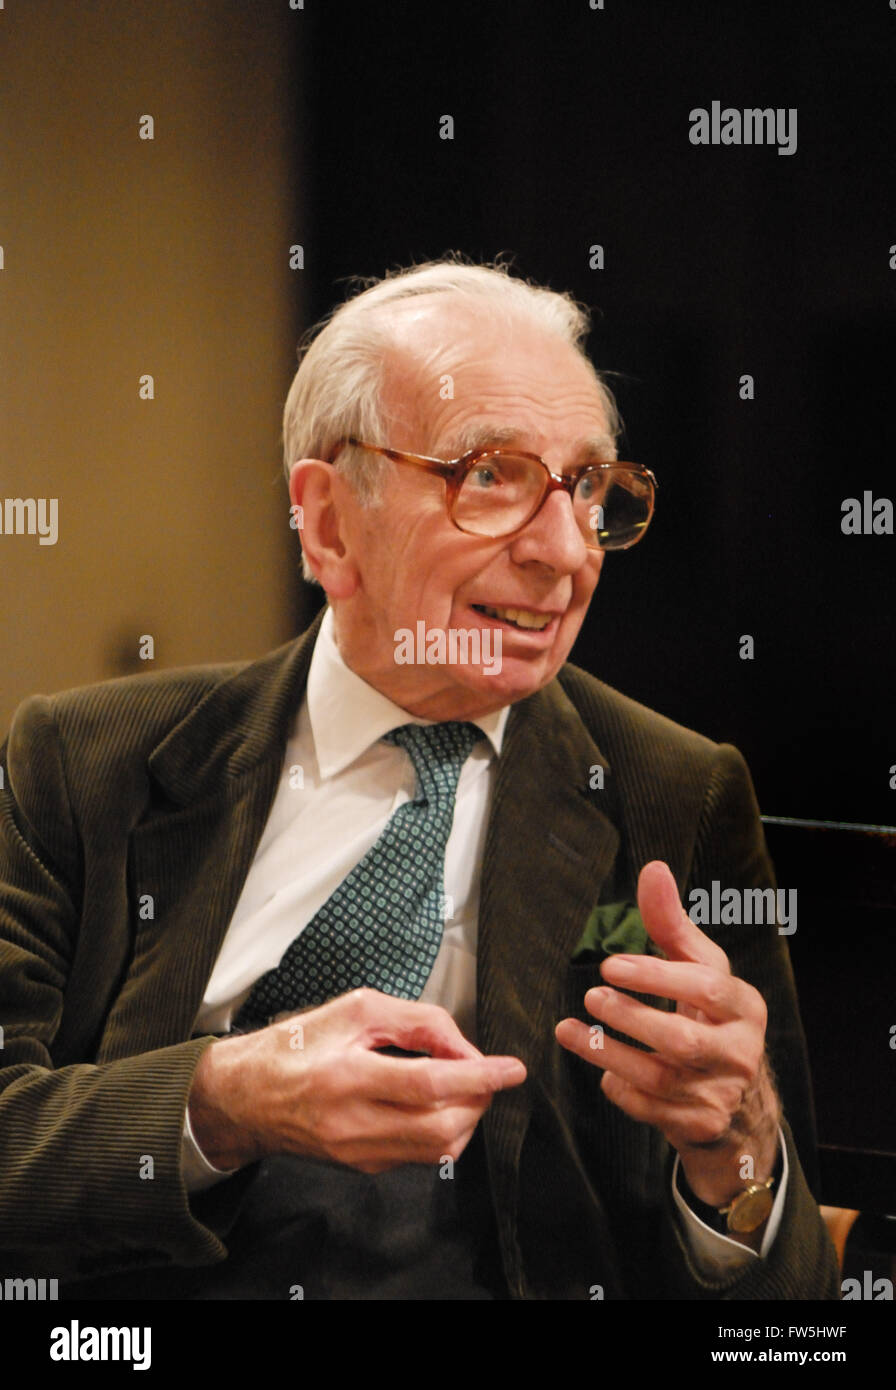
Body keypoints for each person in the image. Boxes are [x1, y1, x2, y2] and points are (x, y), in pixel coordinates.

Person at [0, 260, 839, 1300]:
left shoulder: (670, 790)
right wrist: (222, 1099)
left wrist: (737, 1150)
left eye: (585, 488)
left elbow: (792, 1303)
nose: (562, 552)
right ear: (328, 521)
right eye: (489, 475)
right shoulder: (90, 762)